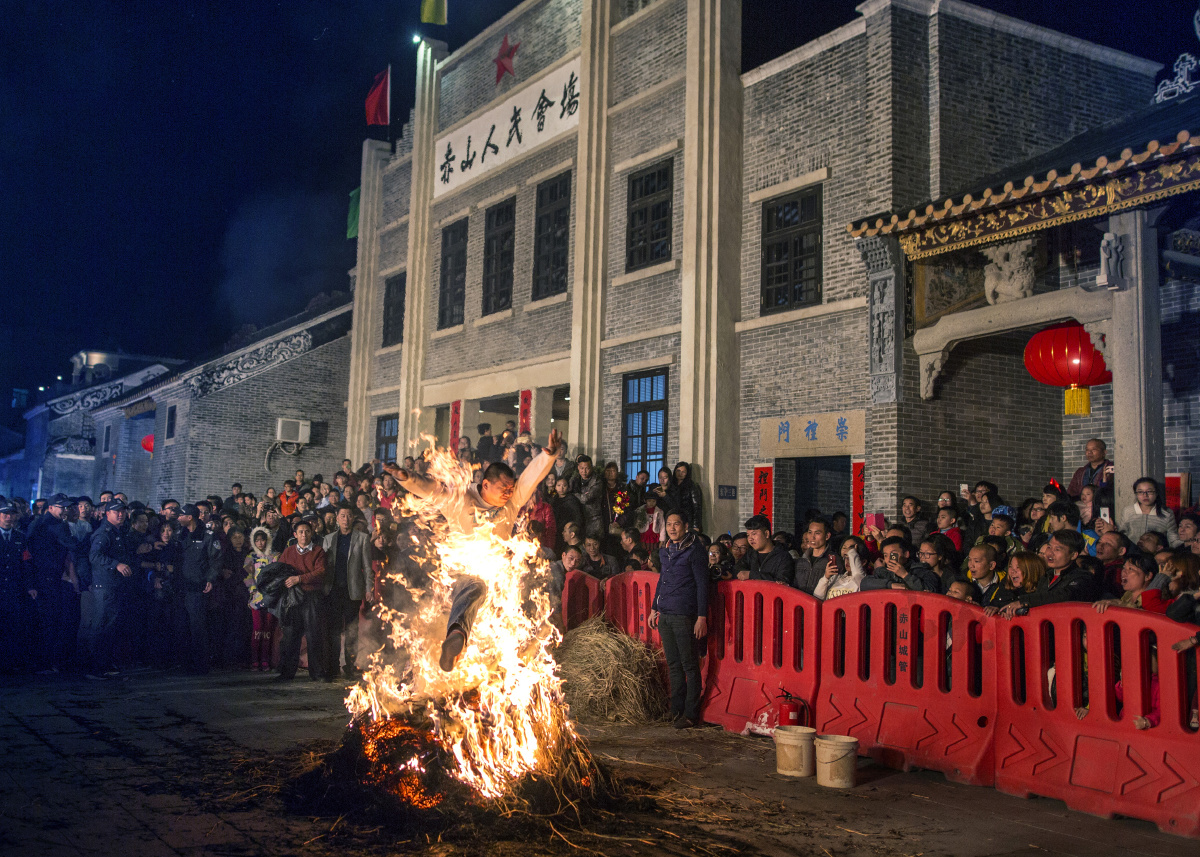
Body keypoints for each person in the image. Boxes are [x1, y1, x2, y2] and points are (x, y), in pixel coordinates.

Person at [382, 428, 561, 672]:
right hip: (460, 575)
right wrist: (406, 478)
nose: (508, 494)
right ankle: (456, 638)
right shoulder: (461, 499)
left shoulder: (512, 501)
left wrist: (548, 455)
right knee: (476, 586)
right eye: (503, 489)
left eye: (511, 489)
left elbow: (531, 477)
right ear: (485, 484)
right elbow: (431, 489)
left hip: (498, 578)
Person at [648, 512, 708, 729]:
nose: (672, 528)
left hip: (684, 615)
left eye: (676, 524)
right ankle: (676, 711)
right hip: (665, 615)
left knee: (689, 666)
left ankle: (691, 714)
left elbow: (703, 585)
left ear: (686, 526)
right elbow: (662, 580)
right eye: (669, 525)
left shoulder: (695, 551)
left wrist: (702, 617)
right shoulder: (665, 552)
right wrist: (654, 607)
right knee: (674, 665)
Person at [25, 494, 78, 674]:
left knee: (49, 621)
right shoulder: (51, 525)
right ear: (50, 508)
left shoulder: (47, 523)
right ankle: (44, 662)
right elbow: (71, 545)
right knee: (48, 621)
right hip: (46, 579)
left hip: (48, 577)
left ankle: (45, 661)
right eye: (61, 507)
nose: (64, 510)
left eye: (65, 507)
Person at [85, 499, 135, 679]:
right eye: (116, 511)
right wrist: (116, 564)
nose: (120, 514)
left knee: (111, 625)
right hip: (106, 586)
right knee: (103, 625)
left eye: (122, 511)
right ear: (108, 514)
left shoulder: (117, 531)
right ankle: (97, 667)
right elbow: (94, 556)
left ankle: (105, 663)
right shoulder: (104, 533)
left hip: (114, 585)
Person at [322, 506, 373, 680]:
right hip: (332, 591)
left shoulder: (362, 538)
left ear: (353, 518)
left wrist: (368, 589)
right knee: (333, 630)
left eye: (349, 515)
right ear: (337, 518)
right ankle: (333, 666)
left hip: (353, 591)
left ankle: (350, 665)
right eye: (342, 515)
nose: (345, 518)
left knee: (352, 630)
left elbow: (367, 567)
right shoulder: (328, 539)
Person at [1000, 530, 1098, 616]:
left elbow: (1065, 595)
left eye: (1057, 549)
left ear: (1073, 555)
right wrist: (1005, 608)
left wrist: (1025, 601)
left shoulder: (1083, 578)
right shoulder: (1046, 575)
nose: (1050, 553)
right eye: (1049, 547)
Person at [277, 518, 329, 681]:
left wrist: (299, 578)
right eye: (300, 532)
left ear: (312, 533)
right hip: (292, 598)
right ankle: (287, 673)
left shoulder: (318, 551)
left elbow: (321, 571)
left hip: (311, 597)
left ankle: (317, 673)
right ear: (295, 534)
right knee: (291, 635)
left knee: (314, 635)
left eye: (307, 531)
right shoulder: (288, 551)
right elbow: (280, 570)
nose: (304, 534)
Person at [174, 504, 222, 674]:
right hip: (181, 587)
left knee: (198, 627)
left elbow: (216, 560)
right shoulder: (180, 534)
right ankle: (184, 662)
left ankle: (201, 665)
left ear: (190, 517)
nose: (178, 517)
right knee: (182, 626)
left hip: (197, 588)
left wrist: (210, 579)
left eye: (181, 515)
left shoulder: (208, 536)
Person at [0, 501, 37, 674]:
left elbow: (26, 564)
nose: (8, 518)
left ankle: (8, 663)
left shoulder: (20, 537)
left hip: (13, 589)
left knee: (11, 626)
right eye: (5, 514)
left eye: (11, 514)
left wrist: (30, 586)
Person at [1119, 477, 1181, 547]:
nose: (1145, 495)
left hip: (1156, 554)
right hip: (1132, 553)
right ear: (1136, 494)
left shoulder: (1167, 513)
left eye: (1149, 491)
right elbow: (1122, 535)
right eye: (1140, 492)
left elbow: (1172, 538)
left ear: (1156, 493)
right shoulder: (1128, 511)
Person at [735, 515, 794, 586]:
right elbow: (737, 569)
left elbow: (782, 583)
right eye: (748, 535)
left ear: (766, 534)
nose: (750, 539)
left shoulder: (783, 557)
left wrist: (752, 575)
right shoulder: (751, 554)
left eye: (754, 534)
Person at [1093, 554, 1159, 613]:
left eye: (1130, 569)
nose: (1124, 571)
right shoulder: (1128, 594)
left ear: (1148, 576)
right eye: (1124, 568)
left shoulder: (1153, 598)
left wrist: (1119, 604)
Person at [793, 518, 841, 594]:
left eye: (817, 533)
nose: (812, 537)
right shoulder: (801, 560)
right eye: (810, 532)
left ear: (827, 536)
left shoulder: (832, 560)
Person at [814, 536, 868, 600]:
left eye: (850, 557)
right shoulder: (836, 578)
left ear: (863, 562)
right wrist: (825, 578)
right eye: (845, 557)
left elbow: (857, 573)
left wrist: (852, 553)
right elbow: (817, 597)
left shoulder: (862, 580)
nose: (847, 561)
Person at [571, 455, 604, 540]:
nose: (584, 471)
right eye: (582, 468)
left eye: (587, 468)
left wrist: (575, 494)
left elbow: (585, 499)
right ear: (578, 467)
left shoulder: (597, 481)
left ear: (592, 468)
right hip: (579, 519)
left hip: (594, 520)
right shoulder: (575, 479)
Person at [668, 462, 702, 533]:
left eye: (683, 472)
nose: (680, 474)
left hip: (687, 519)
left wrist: (695, 525)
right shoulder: (671, 485)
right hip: (673, 519)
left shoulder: (691, 486)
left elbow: (696, 506)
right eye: (678, 471)